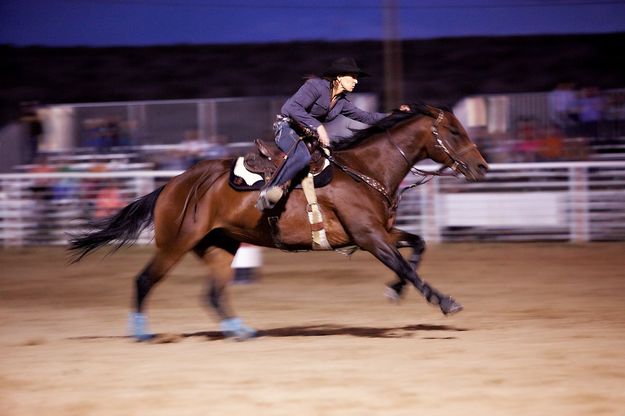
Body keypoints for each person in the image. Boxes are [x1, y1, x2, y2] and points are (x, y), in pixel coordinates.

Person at [256, 57, 398, 211]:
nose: (356, 81)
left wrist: (396, 115)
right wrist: (318, 127)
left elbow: (367, 117)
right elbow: (292, 108)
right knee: (302, 156)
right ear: (339, 77)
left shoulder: (342, 102)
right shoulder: (315, 86)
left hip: (308, 137)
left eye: (356, 78)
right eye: (353, 76)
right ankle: (268, 193)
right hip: (286, 128)